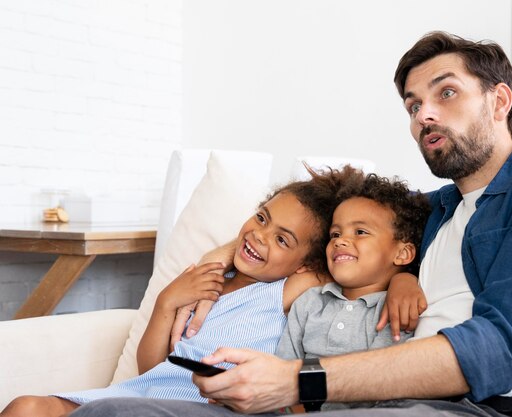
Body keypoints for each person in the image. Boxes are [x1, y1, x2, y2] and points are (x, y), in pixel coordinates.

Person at [67, 31, 512, 417]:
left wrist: (295, 379)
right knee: (114, 409)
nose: (423, 115)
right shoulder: (433, 212)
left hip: (503, 404)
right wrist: (212, 268)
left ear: (499, 100)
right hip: (382, 402)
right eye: (412, 105)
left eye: (446, 93)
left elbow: (496, 351)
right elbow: (327, 214)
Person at [0, 165, 367, 417]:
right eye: (261, 217)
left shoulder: (287, 290)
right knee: (26, 408)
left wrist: (399, 280)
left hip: (195, 407)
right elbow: (149, 368)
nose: (258, 235)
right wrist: (167, 300)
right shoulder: (204, 282)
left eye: (282, 239)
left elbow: (347, 261)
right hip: (138, 394)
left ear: (307, 263)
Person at [276, 172, 430, 412]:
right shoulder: (310, 302)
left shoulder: (394, 309)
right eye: (335, 234)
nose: (340, 241)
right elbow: (282, 369)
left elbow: (382, 383)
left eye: (360, 232)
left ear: (402, 254)